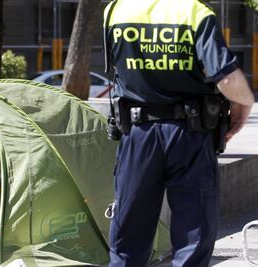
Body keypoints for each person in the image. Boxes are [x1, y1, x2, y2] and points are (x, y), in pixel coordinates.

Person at [103, 0, 254, 266]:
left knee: (129, 233)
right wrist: (244, 102)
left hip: (137, 133)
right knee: (193, 234)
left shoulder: (116, 10)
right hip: (190, 134)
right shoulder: (195, 12)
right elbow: (226, 78)